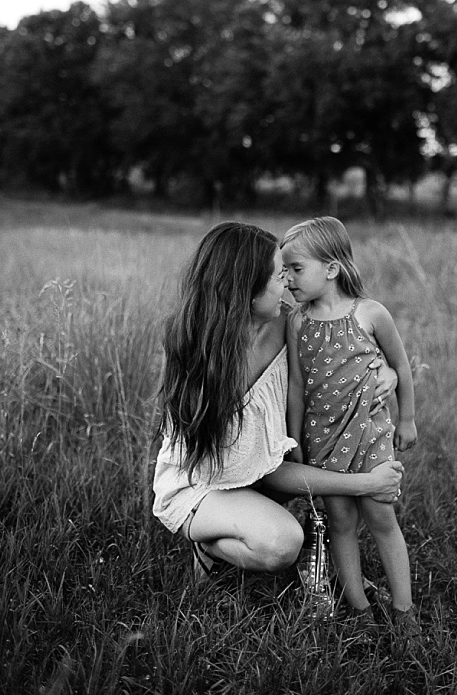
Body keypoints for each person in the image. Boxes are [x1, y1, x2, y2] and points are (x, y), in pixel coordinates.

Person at [152, 221, 403, 589]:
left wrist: (386, 372)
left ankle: (314, 556)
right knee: (282, 545)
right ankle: (207, 544)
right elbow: (271, 470)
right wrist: (365, 484)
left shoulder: (288, 323)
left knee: (309, 459)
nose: (287, 282)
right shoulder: (197, 353)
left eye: (288, 271)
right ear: (247, 293)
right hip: (200, 485)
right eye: (277, 275)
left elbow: (342, 359)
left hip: (252, 477)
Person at [282, 216, 421, 637]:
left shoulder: (370, 313)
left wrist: (408, 418)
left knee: (381, 518)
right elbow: (296, 387)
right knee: (340, 522)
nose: (286, 279)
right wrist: (295, 441)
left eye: (295, 268)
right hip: (322, 439)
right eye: (284, 270)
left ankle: (404, 612)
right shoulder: (297, 322)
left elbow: (401, 366)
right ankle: (359, 608)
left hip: (372, 433)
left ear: (331, 268)